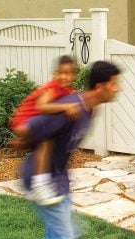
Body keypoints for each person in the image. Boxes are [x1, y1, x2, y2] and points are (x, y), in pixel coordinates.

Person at [0, 60, 121, 239]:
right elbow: (29, 128)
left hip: (59, 179)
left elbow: (59, 141)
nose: (117, 89)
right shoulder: (70, 107)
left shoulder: (89, 109)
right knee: (65, 236)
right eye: (114, 84)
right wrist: (41, 172)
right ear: (100, 86)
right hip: (40, 178)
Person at [9, 55, 80, 205]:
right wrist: (66, 107)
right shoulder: (53, 87)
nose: (64, 77)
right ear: (55, 73)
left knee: (47, 145)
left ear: (74, 75)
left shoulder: (66, 90)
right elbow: (42, 106)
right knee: (46, 142)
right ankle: (39, 186)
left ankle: (35, 182)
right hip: (25, 121)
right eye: (61, 73)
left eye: (68, 73)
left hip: (32, 122)